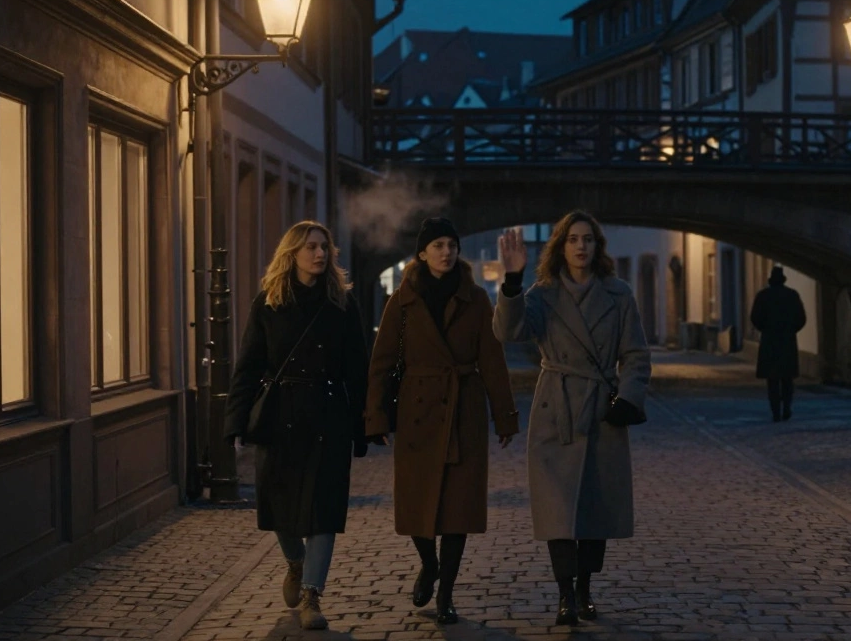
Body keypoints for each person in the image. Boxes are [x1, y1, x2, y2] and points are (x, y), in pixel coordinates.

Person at [493, 210, 651, 626]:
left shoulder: (619, 295)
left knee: (596, 511)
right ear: (561, 247)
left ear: (598, 247)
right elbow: (509, 332)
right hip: (556, 411)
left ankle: (584, 588)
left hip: (602, 411)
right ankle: (565, 594)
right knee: (558, 510)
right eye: (573, 239)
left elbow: (635, 354)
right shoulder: (543, 295)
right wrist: (512, 281)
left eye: (588, 239)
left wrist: (628, 399)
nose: (581, 246)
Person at [365, 217, 519, 625]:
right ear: (421, 253)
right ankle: (428, 564)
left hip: (463, 410)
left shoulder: (475, 298)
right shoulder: (402, 300)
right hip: (417, 414)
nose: (447, 252)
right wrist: (376, 416)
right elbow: (381, 363)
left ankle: (447, 593)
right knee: (417, 501)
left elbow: (492, 359)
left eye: (451, 244)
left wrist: (503, 416)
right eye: (438, 245)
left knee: (458, 507)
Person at [224, 221, 370, 631]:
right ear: (292, 254)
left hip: (328, 418)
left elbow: (358, 369)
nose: (320, 254)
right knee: (279, 510)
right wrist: (235, 422)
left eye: (324, 247)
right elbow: (248, 367)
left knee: (323, 512)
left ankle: (311, 595)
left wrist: (363, 425)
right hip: (280, 419)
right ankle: (295, 561)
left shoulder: (342, 303)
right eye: (311, 247)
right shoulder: (268, 302)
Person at [750, 266, 807, 422]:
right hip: (787, 341)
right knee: (787, 379)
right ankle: (787, 407)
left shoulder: (762, 296)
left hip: (769, 341)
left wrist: (765, 329)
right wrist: (791, 329)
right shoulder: (792, 295)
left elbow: (755, 318)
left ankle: (776, 411)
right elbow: (801, 318)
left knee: (772, 380)